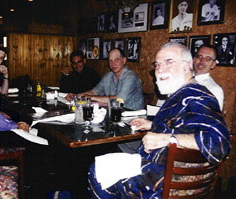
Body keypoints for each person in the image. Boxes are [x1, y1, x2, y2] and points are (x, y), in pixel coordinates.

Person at [87, 42, 231, 198]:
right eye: (157, 65)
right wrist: (152, 124)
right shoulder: (183, 93)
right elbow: (184, 126)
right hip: (164, 169)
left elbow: (220, 142)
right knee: (104, 165)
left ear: (186, 66)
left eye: (169, 62)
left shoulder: (197, 96)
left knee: (98, 171)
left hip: (168, 181)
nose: (160, 69)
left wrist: (166, 138)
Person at [75, 48, 144, 111]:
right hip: (115, 114)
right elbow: (94, 92)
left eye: (116, 60)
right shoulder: (108, 76)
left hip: (134, 118)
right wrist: (76, 96)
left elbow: (119, 100)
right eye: (110, 61)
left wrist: (91, 98)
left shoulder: (131, 77)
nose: (113, 64)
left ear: (124, 60)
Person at [193, 44, 224, 110]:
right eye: (199, 56)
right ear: (194, 59)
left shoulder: (214, 90)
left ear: (213, 64)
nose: (202, 61)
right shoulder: (180, 79)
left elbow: (213, 118)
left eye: (208, 59)